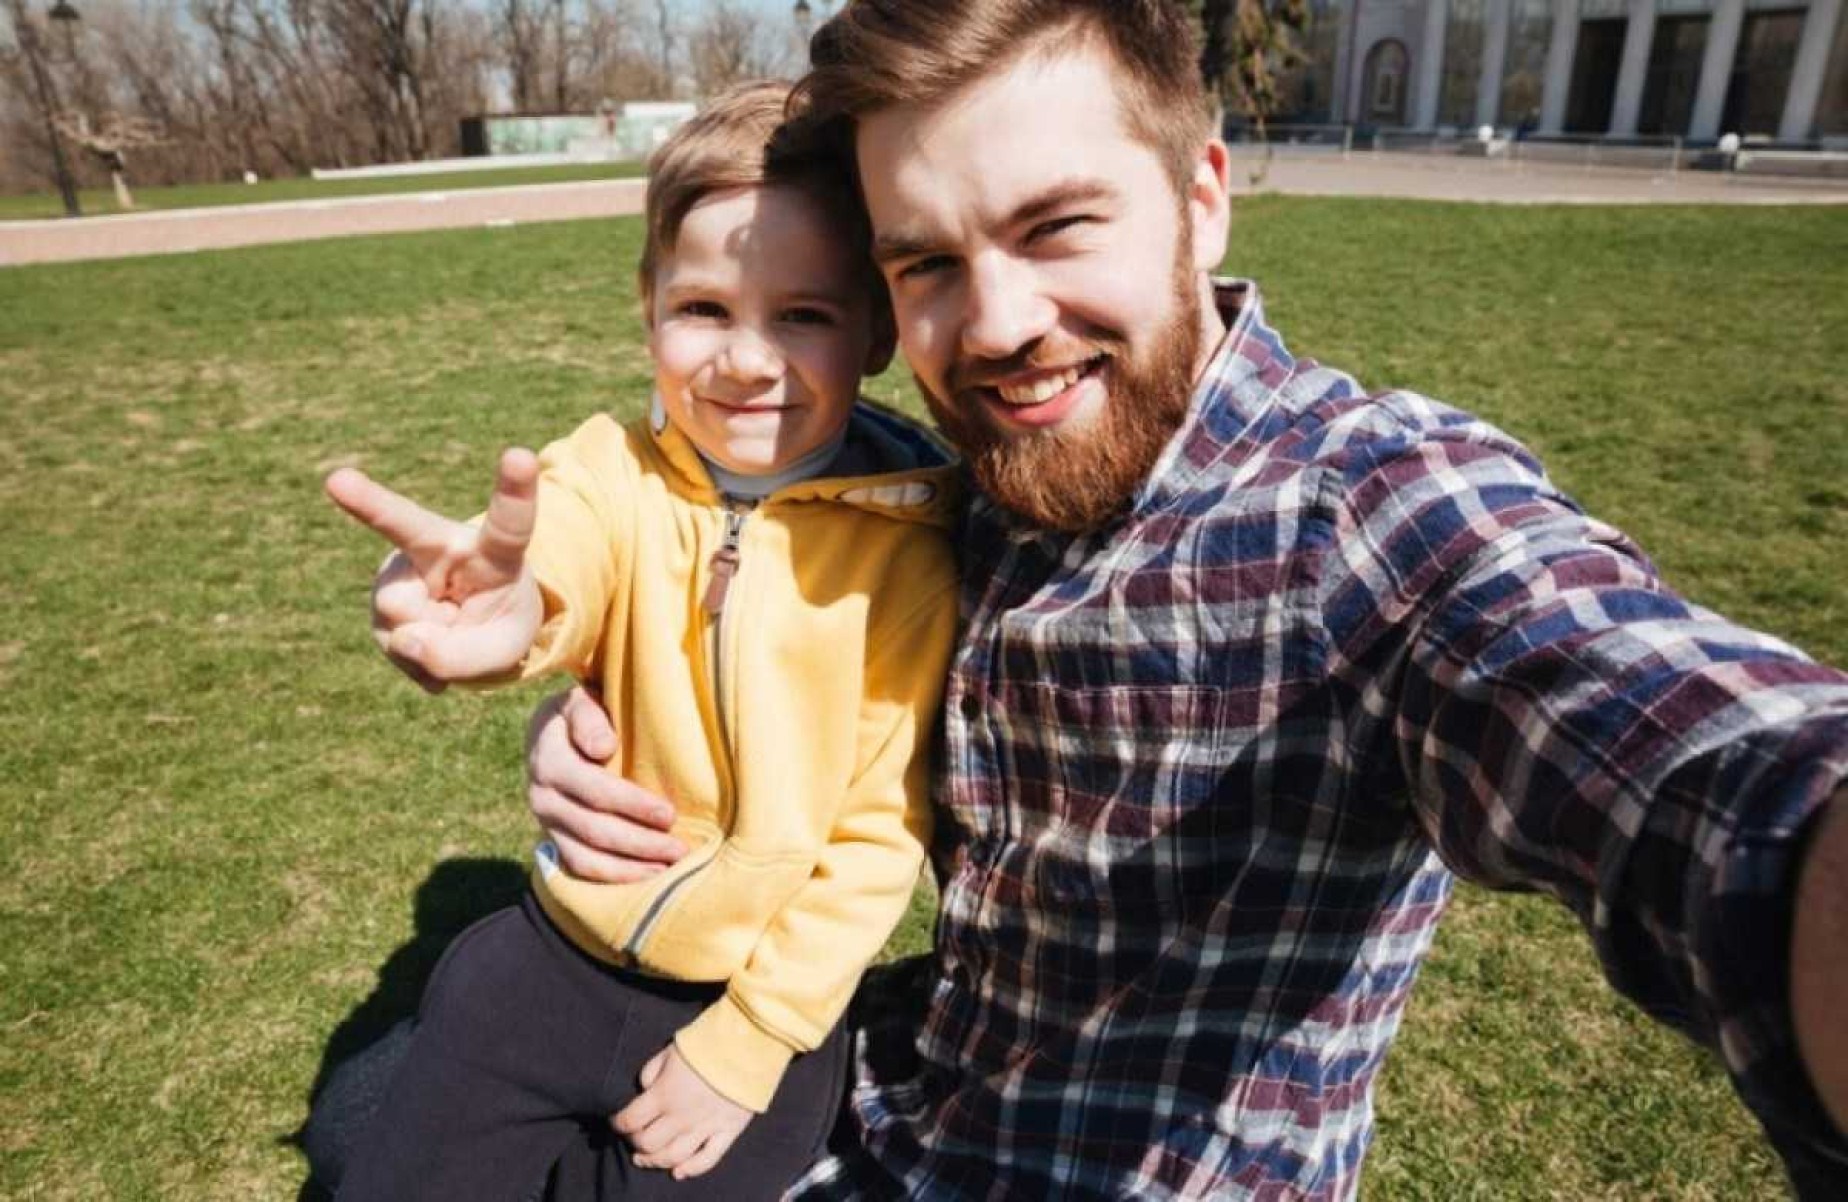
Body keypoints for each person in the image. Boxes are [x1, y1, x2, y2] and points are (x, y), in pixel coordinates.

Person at [312, 1, 1848, 1197]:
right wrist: (579, 678)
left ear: (1204, 197)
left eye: (1055, 227)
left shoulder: (1370, 515)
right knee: (392, 1124)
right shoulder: (948, 473)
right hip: (881, 1105)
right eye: (923, 262)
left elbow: (1691, 758)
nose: (999, 327)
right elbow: (709, 544)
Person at [318, 80, 960, 1200]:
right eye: (705, 308)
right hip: (548, 961)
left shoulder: (906, 559)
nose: (747, 360)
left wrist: (756, 1034)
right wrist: (510, 609)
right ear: (647, 305)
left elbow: (876, 841)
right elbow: (554, 553)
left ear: (872, 334)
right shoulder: (609, 467)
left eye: (802, 314)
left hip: (752, 1009)